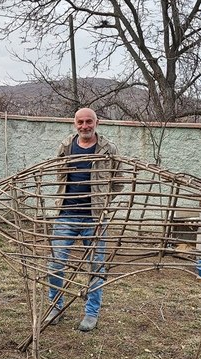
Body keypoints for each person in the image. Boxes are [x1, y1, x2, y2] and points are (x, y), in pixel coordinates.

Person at [47, 107, 123, 332]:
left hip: (94, 218)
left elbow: (118, 180)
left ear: (96, 123)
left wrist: (103, 203)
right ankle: (55, 307)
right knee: (55, 264)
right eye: (80, 122)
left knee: (96, 267)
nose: (84, 126)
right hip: (66, 216)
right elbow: (59, 174)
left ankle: (91, 313)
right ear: (75, 124)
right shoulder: (66, 146)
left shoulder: (108, 149)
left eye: (88, 121)